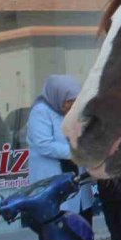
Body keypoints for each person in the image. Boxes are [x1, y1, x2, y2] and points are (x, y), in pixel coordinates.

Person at [26, 76, 94, 225]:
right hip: (53, 180)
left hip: (77, 179)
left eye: (76, 100)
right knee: (57, 228)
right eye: (69, 101)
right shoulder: (40, 111)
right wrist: (77, 152)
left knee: (83, 226)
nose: (72, 105)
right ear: (57, 96)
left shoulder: (76, 112)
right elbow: (44, 144)